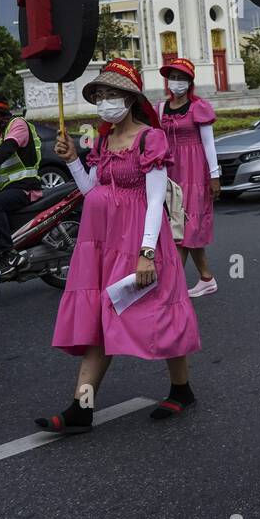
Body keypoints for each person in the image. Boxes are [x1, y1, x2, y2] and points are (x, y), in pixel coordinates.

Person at [36, 59, 202, 432]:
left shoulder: (150, 138)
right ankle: (82, 407)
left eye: (113, 95)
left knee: (162, 314)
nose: (106, 102)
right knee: (100, 316)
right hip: (102, 241)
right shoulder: (103, 140)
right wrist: (71, 162)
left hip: (140, 241)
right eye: (101, 95)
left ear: (130, 99)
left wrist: (146, 254)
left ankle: (181, 388)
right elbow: (91, 192)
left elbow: (155, 196)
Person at [158, 58, 221, 297]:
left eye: (181, 78)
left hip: (195, 170)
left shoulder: (199, 107)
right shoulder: (161, 109)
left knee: (183, 225)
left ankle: (171, 287)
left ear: (190, 82)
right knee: (184, 225)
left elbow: (209, 143)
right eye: (172, 77)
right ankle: (207, 278)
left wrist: (214, 176)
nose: (176, 82)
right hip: (171, 169)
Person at [0, 91, 43, 271]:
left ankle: (9, 252)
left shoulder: (17, 124)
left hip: (26, 188)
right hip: (9, 190)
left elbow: (8, 148)